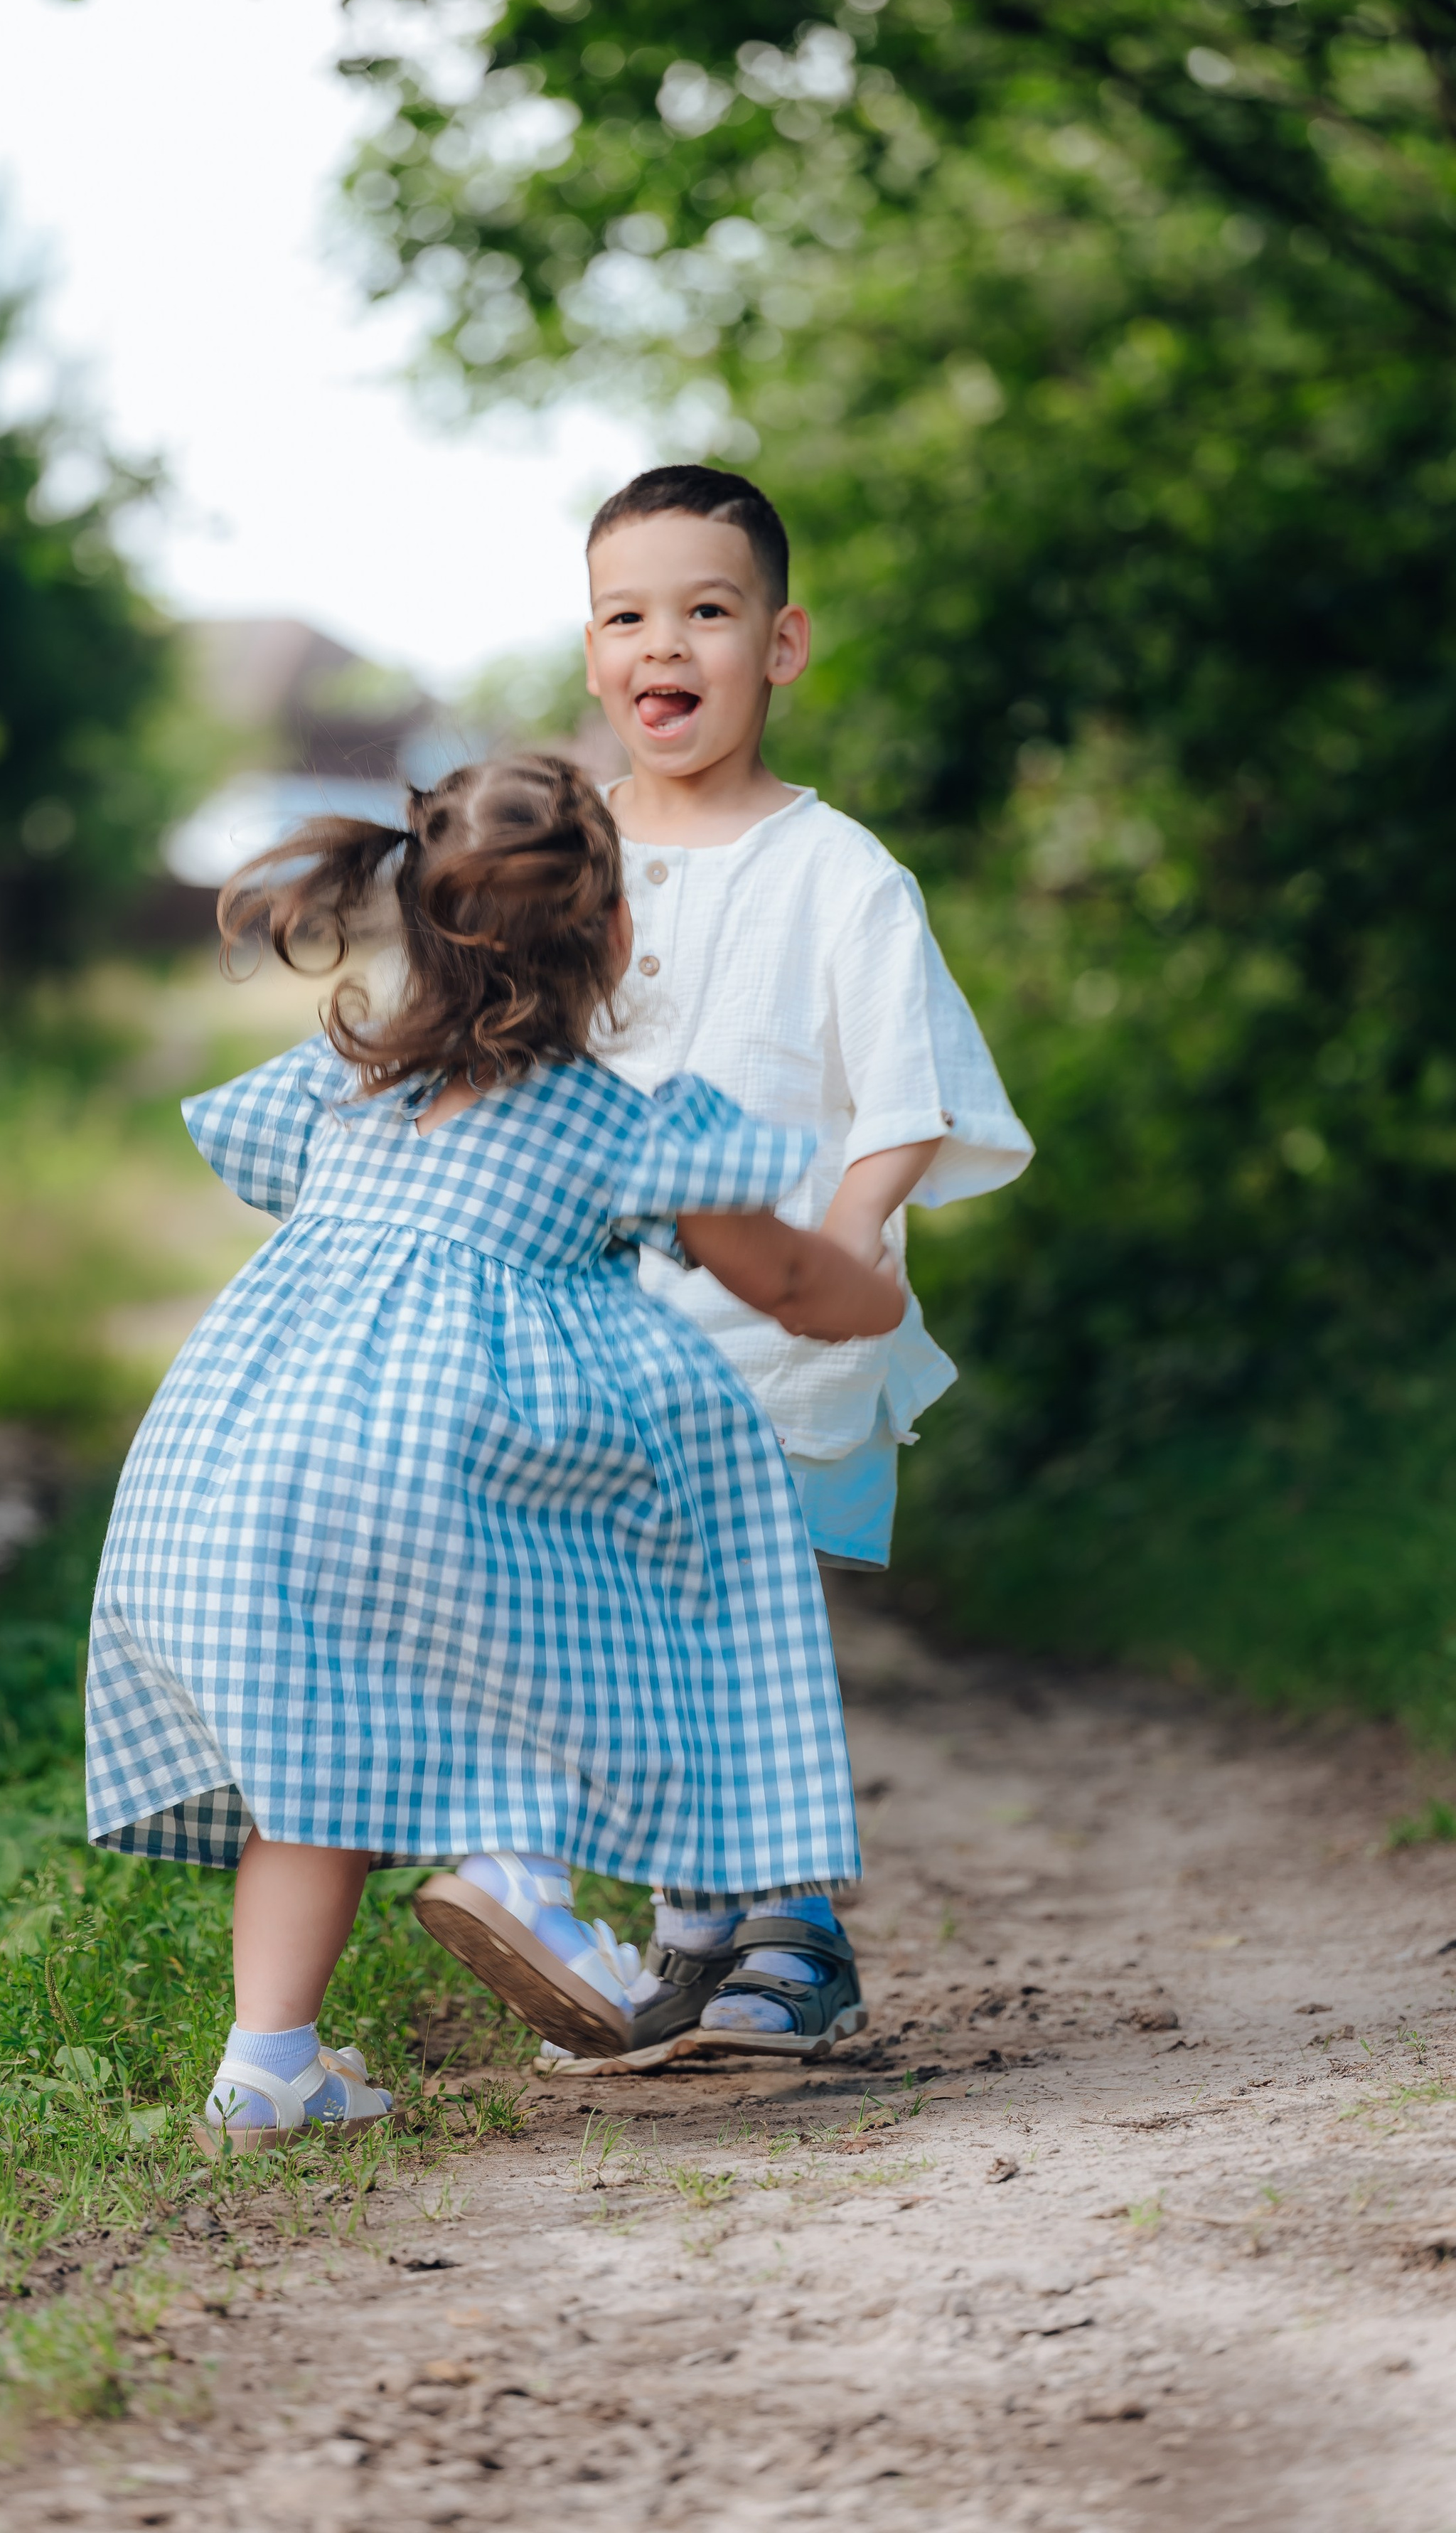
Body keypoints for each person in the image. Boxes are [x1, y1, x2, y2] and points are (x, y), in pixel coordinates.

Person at [83, 752, 903, 2145]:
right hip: (432, 1465)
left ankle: (268, 2064)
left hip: (236, 1482)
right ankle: (521, 1872)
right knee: (587, 1598)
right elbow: (781, 1281)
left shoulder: (336, 1088)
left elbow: (271, 1174)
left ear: (416, 926)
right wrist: (863, 1277)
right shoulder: (608, 1123)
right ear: (615, 938)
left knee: (311, 1764)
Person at [427, 469, 1032, 2068]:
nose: (664, 643)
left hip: (766, 1339)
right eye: (628, 615)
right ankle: (688, 1930)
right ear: (588, 653)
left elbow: (909, 1085)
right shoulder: (566, 859)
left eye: (706, 608)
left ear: (780, 644)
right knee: (590, 1625)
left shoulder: (835, 871)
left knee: (733, 1639)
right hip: (580, 1336)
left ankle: (795, 1931)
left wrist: (845, 1246)